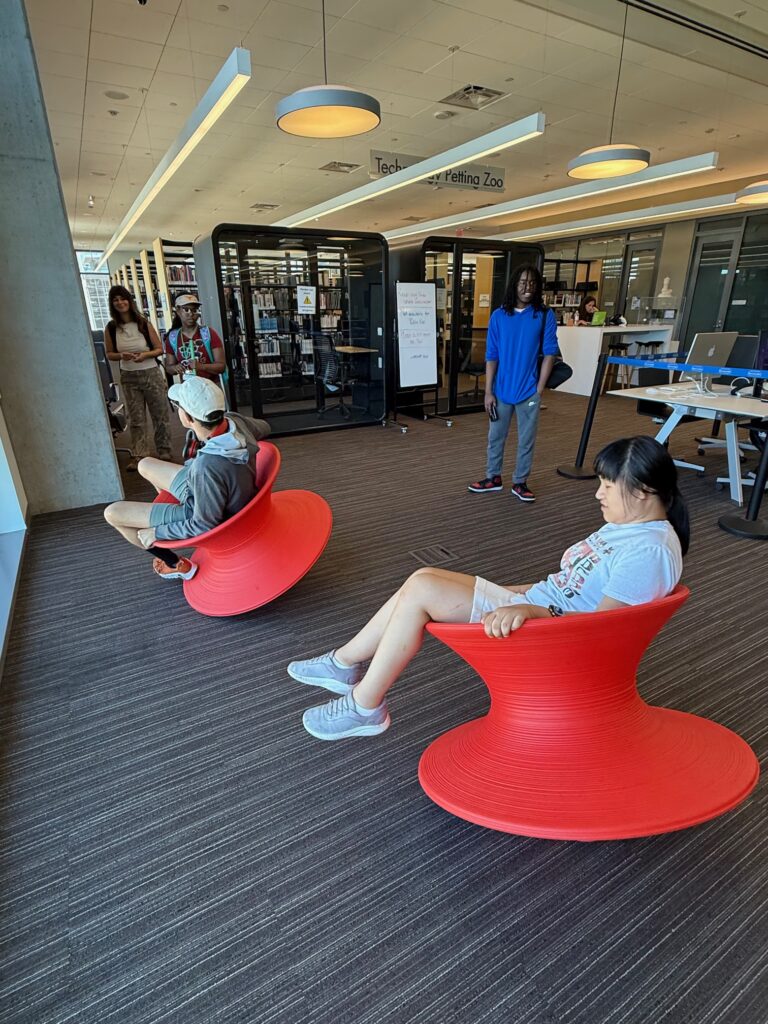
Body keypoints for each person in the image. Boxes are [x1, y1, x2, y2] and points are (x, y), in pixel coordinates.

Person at [289, 436, 689, 741]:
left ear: (642, 491)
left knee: (425, 590)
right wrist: (507, 593)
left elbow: (602, 632)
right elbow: (568, 585)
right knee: (422, 578)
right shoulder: (629, 527)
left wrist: (532, 611)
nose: (597, 493)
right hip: (537, 610)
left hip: (554, 637)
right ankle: (343, 666)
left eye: (607, 485)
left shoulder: (647, 552)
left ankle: (363, 704)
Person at [103, 376, 270, 580]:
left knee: (112, 513)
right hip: (212, 489)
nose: (177, 409)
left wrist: (157, 532)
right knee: (144, 464)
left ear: (189, 418)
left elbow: (204, 524)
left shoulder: (207, 466)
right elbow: (264, 427)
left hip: (205, 510)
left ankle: (177, 564)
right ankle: (175, 513)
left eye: (179, 406)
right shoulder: (234, 421)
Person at [467, 264, 558, 503]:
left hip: (529, 391)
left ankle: (520, 481)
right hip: (501, 390)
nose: (527, 288)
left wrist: (539, 389)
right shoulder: (498, 316)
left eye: (532, 283)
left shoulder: (545, 315)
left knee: (526, 439)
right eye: (522, 282)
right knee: (495, 436)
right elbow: (491, 355)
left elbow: (550, 353)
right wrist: (488, 392)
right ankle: (493, 477)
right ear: (514, 285)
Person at [104, 285, 173, 470]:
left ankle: (164, 450)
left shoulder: (143, 323)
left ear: (129, 300)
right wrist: (121, 356)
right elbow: (110, 353)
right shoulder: (111, 328)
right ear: (112, 304)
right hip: (128, 375)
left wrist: (145, 355)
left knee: (160, 414)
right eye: (115, 300)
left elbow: (159, 348)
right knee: (136, 418)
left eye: (122, 298)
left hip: (150, 372)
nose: (120, 302)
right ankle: (140, 455)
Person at [164, 294, 227, 383]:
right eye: (186, 310)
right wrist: (175, 368)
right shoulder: (173, 338)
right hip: (189, 389)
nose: (191, 314)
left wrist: (201, 366)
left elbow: (221, 366)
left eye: (194, 310)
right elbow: (169, 368)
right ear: (178, 311)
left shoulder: (208, 334)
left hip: (210, 386)